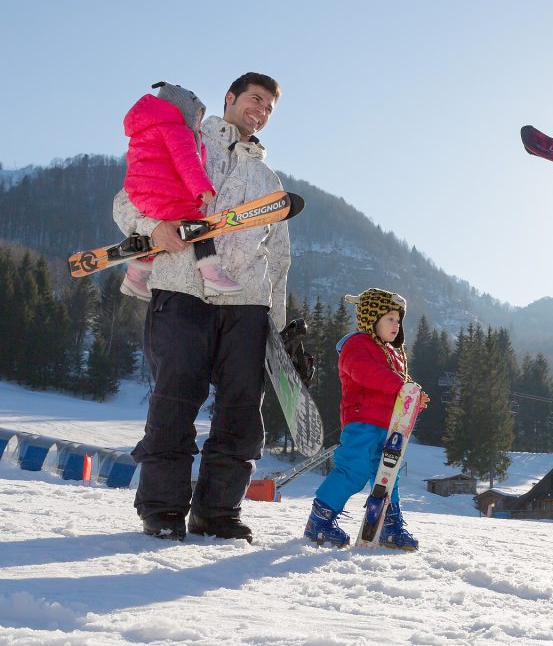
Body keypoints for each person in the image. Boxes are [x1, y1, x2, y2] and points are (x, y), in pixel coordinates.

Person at [113, 73, 288, 543]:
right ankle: (163, 509)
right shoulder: (189, 141)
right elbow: (129, 196)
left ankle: (218, 512)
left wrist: (281, 326)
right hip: (182, 286)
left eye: (270, 106)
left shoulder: (268, 179)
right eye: (255, 99)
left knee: (241, 413)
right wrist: (152, 229)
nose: (262, 111)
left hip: (248, 301)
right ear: (230, 98)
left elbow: (280, 257)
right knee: (176, 400)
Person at [304, 288, 428, 551]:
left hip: (389, 427)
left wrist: (413, 399)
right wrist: (401, 387)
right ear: (372, 319)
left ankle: (388, 526)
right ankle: (320, 520)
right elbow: (367, 373)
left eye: (398, 320)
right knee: (352, 470)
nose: (396, 325)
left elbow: (398, 388)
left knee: (387, 476)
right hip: (362, 423)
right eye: (389, 319)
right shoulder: (356, 345)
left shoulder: (392, 354)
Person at [119, 82, 242, 301]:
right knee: (200, 227)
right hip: (167, 194)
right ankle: (212, 277)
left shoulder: (144, 129)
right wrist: (202, 188)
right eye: (196, 116)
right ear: (182, 111)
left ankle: (134, 278)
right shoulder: (177, 130)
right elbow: (188, 163)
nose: (198, 122)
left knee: (153, 237)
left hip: (142, 195)